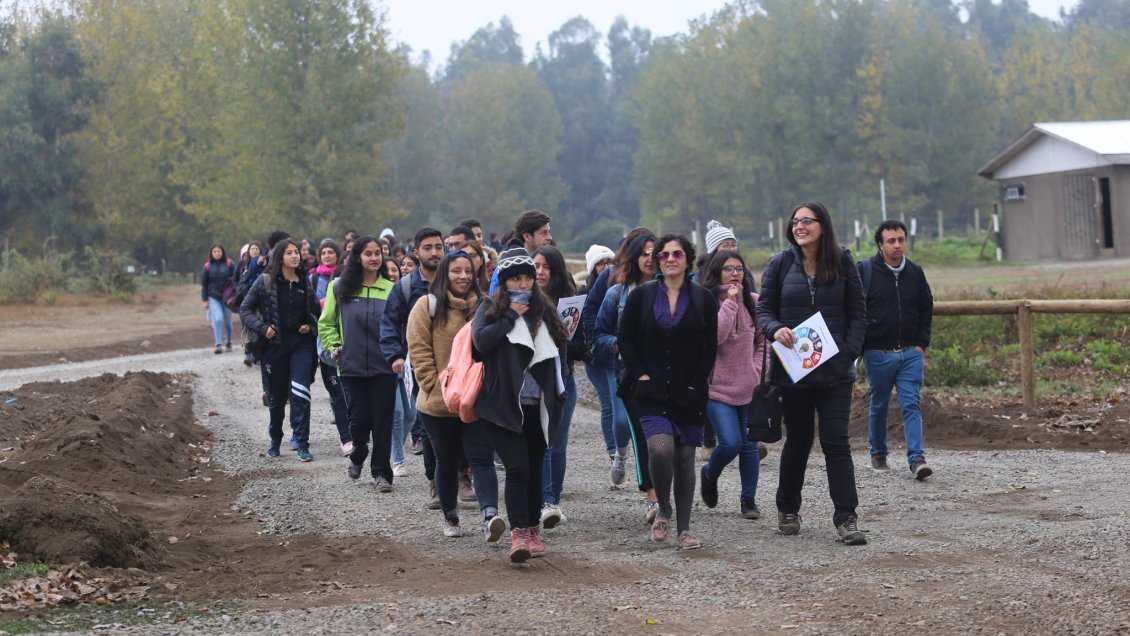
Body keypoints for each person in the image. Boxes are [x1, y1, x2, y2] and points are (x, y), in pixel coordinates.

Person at [756, 201, 867, 546]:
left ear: (823, 225)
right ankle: (787, 509)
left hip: (835, 373)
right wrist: (775, 328)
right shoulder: (779, 263)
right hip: (795, 372)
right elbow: (764, 310)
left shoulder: (843, 261)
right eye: (795, 221)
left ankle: (846, 517)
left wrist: (848, 352)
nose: (799, 226)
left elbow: (858, 313)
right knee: (799, 439)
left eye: (807, 220)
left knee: (836, 441)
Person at [617, 234, 718, 550]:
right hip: (651, 390)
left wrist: (696, 383)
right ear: (657, 261)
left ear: (687, 259)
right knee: (660, 449)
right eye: (664, 255)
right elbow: (625, 338)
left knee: (685, 457)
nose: (670, 259)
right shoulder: (642, 296)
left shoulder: (703, 299)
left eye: (677, 254)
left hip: (689, 391)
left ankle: (684, 529)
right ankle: (663, 508)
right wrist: (640, 373)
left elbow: (710, 347)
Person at [468, 246, 568, 563]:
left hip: (537, 405)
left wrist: (560, 389)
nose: (523, 284)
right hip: (501, 406)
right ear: (504, 281)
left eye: (527, 278)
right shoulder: (490, 307)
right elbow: (480, 343)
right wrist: (511, 315)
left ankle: (533, 529)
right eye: (516, 279)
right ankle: (519, 532)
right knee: (517, 467)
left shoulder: (544, 308)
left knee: (535, 468)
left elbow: (563, 346)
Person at [380, 228, 473, 505]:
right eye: (428, 248)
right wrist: (396, 356)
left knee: (464, 421)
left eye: (438, 247)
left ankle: (463, 475)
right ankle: (435, 481)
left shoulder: (459, 282)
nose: (434, 252)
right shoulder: (406, 288)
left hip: (462, 369)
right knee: (429, 428)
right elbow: (389, 324)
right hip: (425, 370)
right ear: (416, 252)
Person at [406, 250, 485, 538]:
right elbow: (418, 347)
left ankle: (489, 515)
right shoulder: (427, 306)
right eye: (456, 271)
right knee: (447, 460)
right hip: (438, 404)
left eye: (468, 271)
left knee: (480, 459)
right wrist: (432, 383)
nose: (463, 276)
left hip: (476, 400)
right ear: (444, 274)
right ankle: (450, 517)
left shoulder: (484, 306)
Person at [318, 237, 399, 490]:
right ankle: (358, 452)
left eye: (377, 253)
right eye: (368, 254)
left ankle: (382, 474)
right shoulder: (338, 288)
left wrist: (397, 354)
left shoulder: (392, 289)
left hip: (384, 366)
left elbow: (400, 325)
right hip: (350, 367)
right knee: (359, 421)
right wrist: (334, 346)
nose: (374, 258)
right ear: (357, 258)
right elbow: (326, 323)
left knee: (382, 422)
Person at [860, 220, 935, 479]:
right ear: (880, 244)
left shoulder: (915, 272)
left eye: (901, 240)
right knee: (880, 404)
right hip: (877, 353)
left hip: (910, 353)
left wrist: (921, 344)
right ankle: (878, 453)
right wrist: (862, 344)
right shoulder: (865, 271)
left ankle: (917, 459)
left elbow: (926, 307)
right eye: (891, 241)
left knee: (911, 404)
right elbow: (854, 308)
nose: (897, 245)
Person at [697, 250, 767, 519]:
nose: (735, 274)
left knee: (749, 446)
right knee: (730, 442)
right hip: (717, 388)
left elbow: (763, 343)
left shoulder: (754, 302)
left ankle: (748, 500)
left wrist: (757, 370)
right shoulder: (707, 302)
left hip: (749, 386)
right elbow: (714, 337)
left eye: (739, 269)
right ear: (717, 272)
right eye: (729, 269)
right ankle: (709, 473)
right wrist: (730, 302)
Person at [593, 233, 659, 515]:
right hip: (631, 375)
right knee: (643, 435)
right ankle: (653, 497)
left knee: (668, 437)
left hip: (667, 374)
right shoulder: (617, 294)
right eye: (644, 253)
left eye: (654, 253)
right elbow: (599, 333)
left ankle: (668, 490)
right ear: (633, 257)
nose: (649, 259)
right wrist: (619, 344)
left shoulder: (674, 291)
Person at [239, 239, 318, 460]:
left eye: (297, 252)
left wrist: (309, 326)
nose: (295, 256)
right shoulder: (265, 281)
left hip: (301, 346)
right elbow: (245, 309)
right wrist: (263, 328)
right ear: (279, 257)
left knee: (301, 392)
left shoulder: (305, 281)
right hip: (274, 347)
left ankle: (302, 443)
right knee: (276, 398)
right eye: (289, 252)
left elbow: (316, 313)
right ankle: (275, 439)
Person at [533, 245, 579, 529]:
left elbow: (579, 344)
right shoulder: (524, 300)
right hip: (536, 381)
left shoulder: (570, 302)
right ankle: (546, 501)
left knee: (558, 444)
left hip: (564, 377)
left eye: (546, 267)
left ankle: (554, 501)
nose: (540, 272)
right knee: (544, 443)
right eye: (536, 266)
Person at [309, 239, 353, 456]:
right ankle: (346, 438)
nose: (327, 255)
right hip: (328, 349)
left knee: (352, 396)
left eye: (330, 252)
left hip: (354, 349)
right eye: (323, 252)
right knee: (337, 395)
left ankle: (357, 432)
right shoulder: (316, 279)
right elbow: (315, 313)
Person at [383, 256, 410, 477]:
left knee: (412, 415)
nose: (392, 273)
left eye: (395, 269)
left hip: (409, 361)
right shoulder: (381, 294)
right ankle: (398, 459)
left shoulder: (404, 293)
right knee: (398, 412)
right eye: (388, 269)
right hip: (388, 361)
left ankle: (391, 447)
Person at [488, 211, 554, 294]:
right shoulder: (505, 267)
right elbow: (495, 299)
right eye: (543, 233)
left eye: (549, 232)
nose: (549, 237)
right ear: (527, 236)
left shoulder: (554, 264)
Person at [201, 244, 235, 354]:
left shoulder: (229, 264)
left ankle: (229, 342)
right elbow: (204, 284)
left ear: (222, 252)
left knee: (228, 321)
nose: (217, 253)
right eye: (214, 251)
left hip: (228, 297)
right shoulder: (207, 266)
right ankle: (218, 344)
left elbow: (235, 280)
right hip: (213, 297)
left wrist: (236, 295)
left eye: (219, 251)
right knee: (218, 319)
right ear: (211, 253)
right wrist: (205, 299)